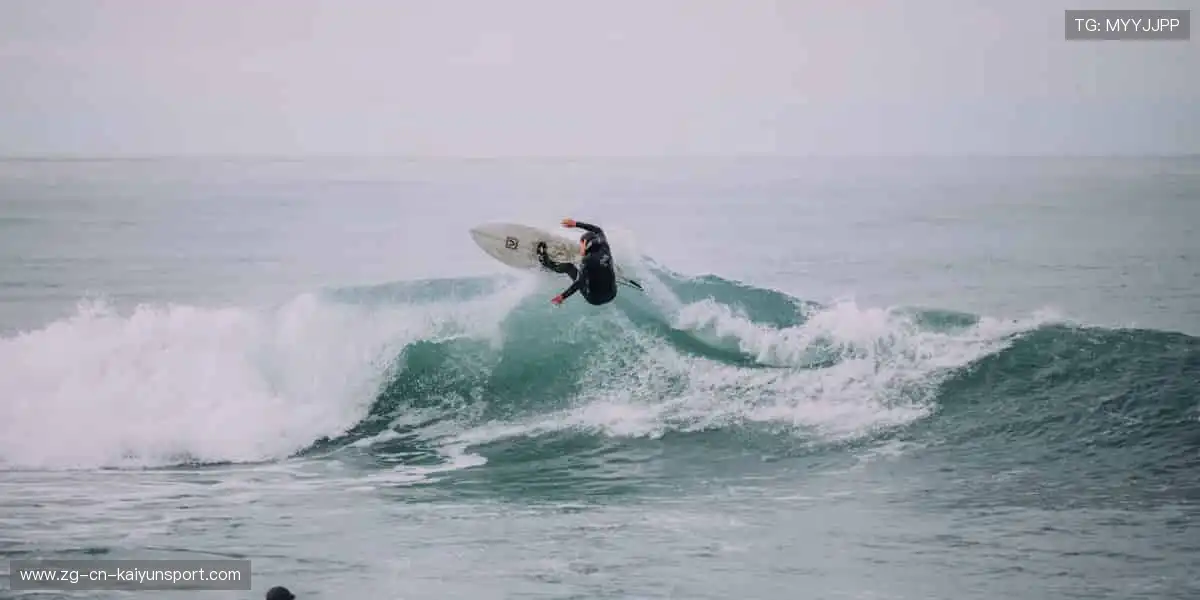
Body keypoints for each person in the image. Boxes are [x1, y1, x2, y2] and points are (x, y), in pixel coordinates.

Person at [536, 217, 617, 306]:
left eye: (581, 243)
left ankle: (545, 263)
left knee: (569, 267)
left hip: (594, 299)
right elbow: (597, 230)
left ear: (585, 243)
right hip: (612, 294)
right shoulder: (604, 245)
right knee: (601, 271)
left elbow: (580, 282)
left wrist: (563, 296)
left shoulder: (587, 260)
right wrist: (575, 224)